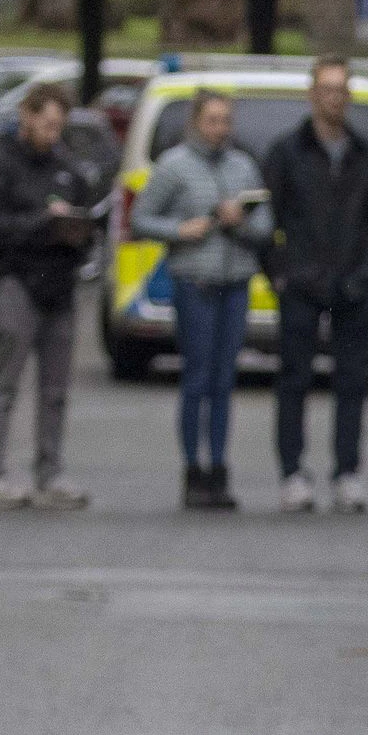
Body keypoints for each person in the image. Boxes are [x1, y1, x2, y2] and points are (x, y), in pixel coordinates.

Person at [262, 56, 368, 514]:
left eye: (342, 89)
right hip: (301, 283)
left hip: (353, 285)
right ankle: (292, 472)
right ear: (313, 94)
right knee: (294, 378)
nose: (335, 98)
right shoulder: (287, 152)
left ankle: (347, 471)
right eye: (327, 89)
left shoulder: (365, 153)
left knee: (352, 381)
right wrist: (278, 271)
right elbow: (267, 218)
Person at [129, 91, 268, 510]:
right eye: (211, 120)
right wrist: (179, 230)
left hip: (235, 283)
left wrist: (241, 221)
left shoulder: (243, 166)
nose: (219, 128)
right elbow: (141, 218)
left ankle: (220, 472)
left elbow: (265, 226)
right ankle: (193, 472)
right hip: (195, 283)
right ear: (195, 122)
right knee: (197, 379)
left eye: (225, 120)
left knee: (225, 382)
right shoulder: (174, 166)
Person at [0, 83, 99, 510]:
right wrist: (44, 221)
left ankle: (50, 473)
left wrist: (78, 234)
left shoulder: (67, 166)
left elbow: (88, 222)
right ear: (26, 115)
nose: (52, 133)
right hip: (17, 281)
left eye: (59, 126)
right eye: (46, 124)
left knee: (56, 389)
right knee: (6, 382)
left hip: (60, 285)